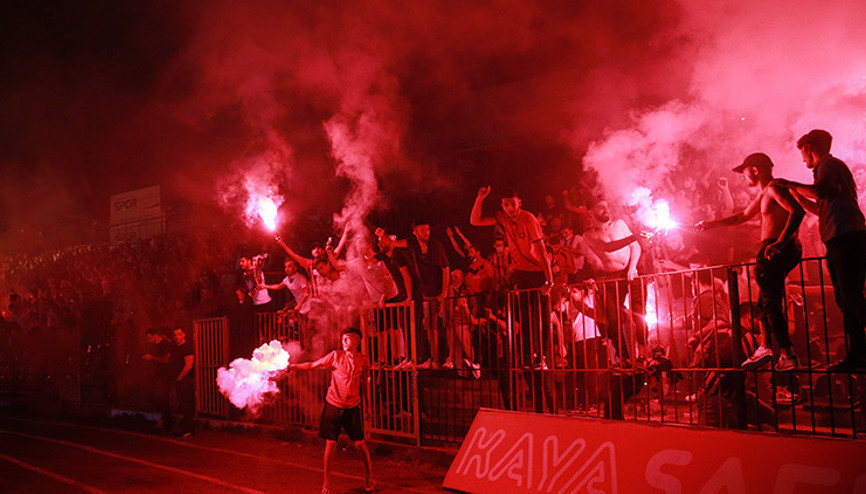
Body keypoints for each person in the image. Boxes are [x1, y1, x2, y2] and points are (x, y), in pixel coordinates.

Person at [696, 153, 805, 371]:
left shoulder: (774, 188)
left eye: (744, 172)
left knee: (770, 304)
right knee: (764, 302)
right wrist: (711, 224)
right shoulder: (765, 193)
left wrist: (781, 243)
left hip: (777, 247)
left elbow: (798, 211)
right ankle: (765, 347)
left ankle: (786, 353)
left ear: (754, 169)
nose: (743, 178)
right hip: (773, 248)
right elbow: (743, 216)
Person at [773, 130, 866, 372]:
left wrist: (790, 184)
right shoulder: (827, 169)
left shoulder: (828, 165)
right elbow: (820, 208)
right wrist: (795, 194)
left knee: (852, 298)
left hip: (847, 238)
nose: (803, 160)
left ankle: (859, 354)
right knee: (846, 300)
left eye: (802, 153)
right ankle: (858, 355)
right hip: (839, 238)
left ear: (809, 147)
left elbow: (819, 192)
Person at [287, 328, 374, 494]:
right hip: (333, 405)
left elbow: (365, 385)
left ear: (357, 341)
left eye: (348, 339)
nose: (344, 342)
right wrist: (293, 366)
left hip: (352, 407)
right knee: (330, 445)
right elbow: (313, 365)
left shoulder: (363, 360)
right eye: (343, 339)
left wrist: (368, 407)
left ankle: (370, 477)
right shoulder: (336, 356)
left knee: (360, 445)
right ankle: (326, 484)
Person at [582, 198, 647, 367]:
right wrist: (635, 236)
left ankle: (643, 354)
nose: (606, 210)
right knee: (613, 317)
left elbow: (635, 246)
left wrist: (632, 267)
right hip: (611, 277)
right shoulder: (588, 235)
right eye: (601, 207)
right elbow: (608, 247)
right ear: (591, 212)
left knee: (639, 312)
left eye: (607, 206)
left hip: (631, 271)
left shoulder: (619, 224)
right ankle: (624, 357)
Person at [142, 327, 171, 431]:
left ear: (155, 335)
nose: (149, 340)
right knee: (152, 396)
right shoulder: (155, 346)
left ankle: (166, 422)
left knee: (163, 398)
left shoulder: (165, 345)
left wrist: (152, 357)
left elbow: (166, 359)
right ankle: (164, 419)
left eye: (150, 337)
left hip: (165, 376)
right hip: (157, 376)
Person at [169, 327, 195, 437]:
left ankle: (189, 429)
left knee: (187, 405)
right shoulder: (175, 348)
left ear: (184, 335)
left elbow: (188, 365)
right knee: (182, 405)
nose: (177, 337)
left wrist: (179, 378)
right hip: (179, 380)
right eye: (175, 335)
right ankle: (186, 427)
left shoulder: (187, 348)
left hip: (186, 381)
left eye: (179, 334)